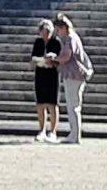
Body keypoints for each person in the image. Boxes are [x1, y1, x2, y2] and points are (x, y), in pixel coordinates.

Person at [54, 11, 92, 144]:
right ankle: (74, 133)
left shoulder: (70, 39)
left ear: (64, 28)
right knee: (74, 105)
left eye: (58, 29)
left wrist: (54, 59)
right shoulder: (72, 37)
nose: (57, 32)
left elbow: (67, 56)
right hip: (75, 74)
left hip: (73, 74)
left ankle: (75, 134)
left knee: (73, 106)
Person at [30, 18, 61, 139]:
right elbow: (33, 57)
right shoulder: (38, 42)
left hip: (52, 75)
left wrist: (52, 59)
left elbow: (59, 59)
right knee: (41, 103)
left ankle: (53, 131)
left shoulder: (56, 42)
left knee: (52, 104)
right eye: (43, 32)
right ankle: (42, 130)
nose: (45, 34)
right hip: (40, 74)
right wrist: (36, 61)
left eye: (48, 32)